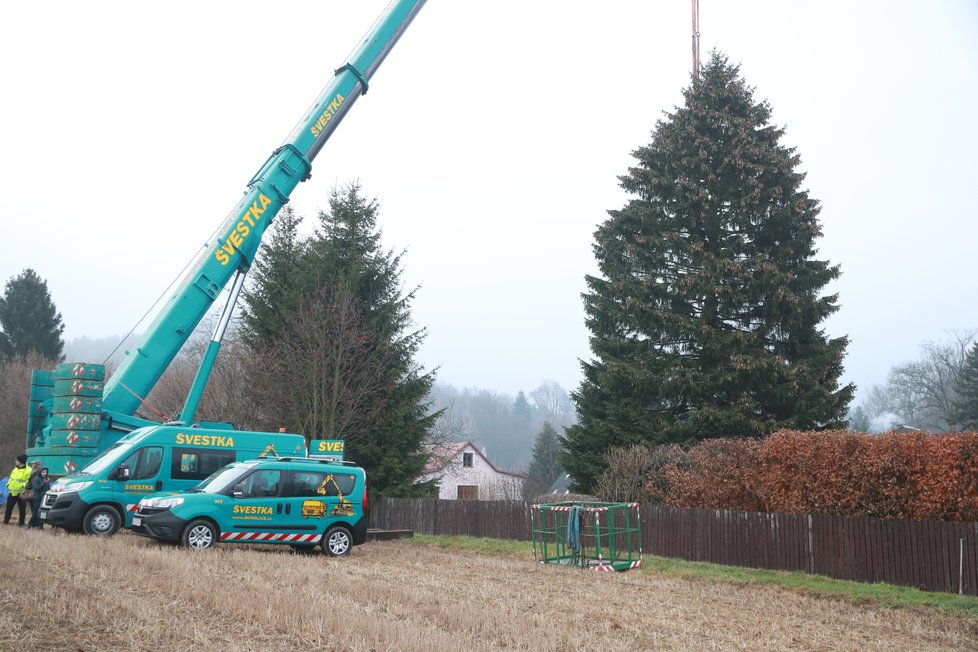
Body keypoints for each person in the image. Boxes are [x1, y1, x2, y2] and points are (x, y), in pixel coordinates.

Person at [4, 454, 31, 526]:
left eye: (17, 460)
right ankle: (5, 522)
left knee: (22, 509)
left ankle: (21, 523)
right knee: (8, 508)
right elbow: (11, 478)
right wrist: (8, 484)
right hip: (12, 492)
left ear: (21, 461)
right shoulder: (15, 469)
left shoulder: (29, 470)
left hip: (21, 493)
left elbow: (29, 481)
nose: (15, 461)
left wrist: (23, 486)